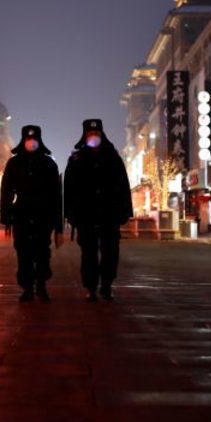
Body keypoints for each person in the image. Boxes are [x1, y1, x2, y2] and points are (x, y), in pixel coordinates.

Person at [64, 118, 133, 302]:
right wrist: (69, 213)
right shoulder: (76, 159)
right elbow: (68, 189)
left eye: (96, 133)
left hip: (109, 215)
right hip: (85, 215)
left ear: (102, 134)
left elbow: (123, 185)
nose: (93, 136)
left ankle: (107, 285)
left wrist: (125, 211)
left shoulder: (113, 157)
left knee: (110, 252)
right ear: (85, 135)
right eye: (90, 133)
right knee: (89, 253)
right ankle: (91, 287)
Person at [0, 124, 63, 302]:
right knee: (23, 252)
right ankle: (27, 287)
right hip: (21, 214)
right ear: (23, 140)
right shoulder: (14, 163)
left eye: (34, 138)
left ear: (39, 140)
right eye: (28, 139)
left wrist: (57, 222)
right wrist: (6, 216)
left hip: (44, 214)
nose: (31, 142)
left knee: (42, 251)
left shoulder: (49, 163)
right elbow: (6, 190)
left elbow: (56, 195)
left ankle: (41, 284)